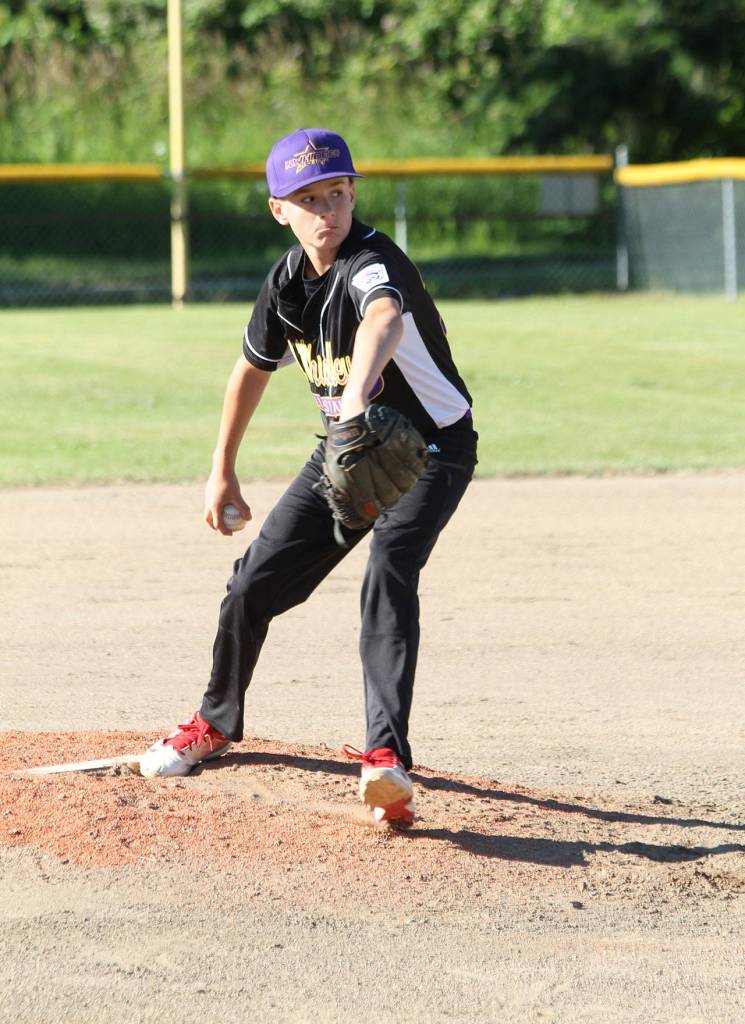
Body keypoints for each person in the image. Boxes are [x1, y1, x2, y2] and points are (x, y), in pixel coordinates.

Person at [140, 128, 478, 826]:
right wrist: (221, 471)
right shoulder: (287, 282)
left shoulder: (371, 264)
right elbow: (250, 372)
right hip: (348, 452)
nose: (327, 209)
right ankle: (214, 721)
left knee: (388, 569)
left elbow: (383, 314)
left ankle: (385, 761)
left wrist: (356, 394)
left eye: (337, 192)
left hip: (434, 452)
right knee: (249, 586)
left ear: (353, 194)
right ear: (279, 210)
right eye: (308, 198)